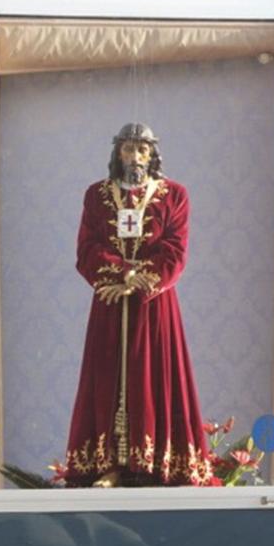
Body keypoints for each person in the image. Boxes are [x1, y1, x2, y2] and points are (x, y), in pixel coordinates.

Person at [59, 123, 210, 486]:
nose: (135, 157)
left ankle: (157, 465)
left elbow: (175, 249)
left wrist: (140, 284)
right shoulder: (97, 196)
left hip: (154, 305)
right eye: (128, 149)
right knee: (108, 375)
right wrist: (123, 276)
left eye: (142, 150)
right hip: (109, 301)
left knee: (153, 373)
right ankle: (109, 465)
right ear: (117, 154)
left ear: (153, 154)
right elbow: (87, 248)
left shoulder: (174, 195)